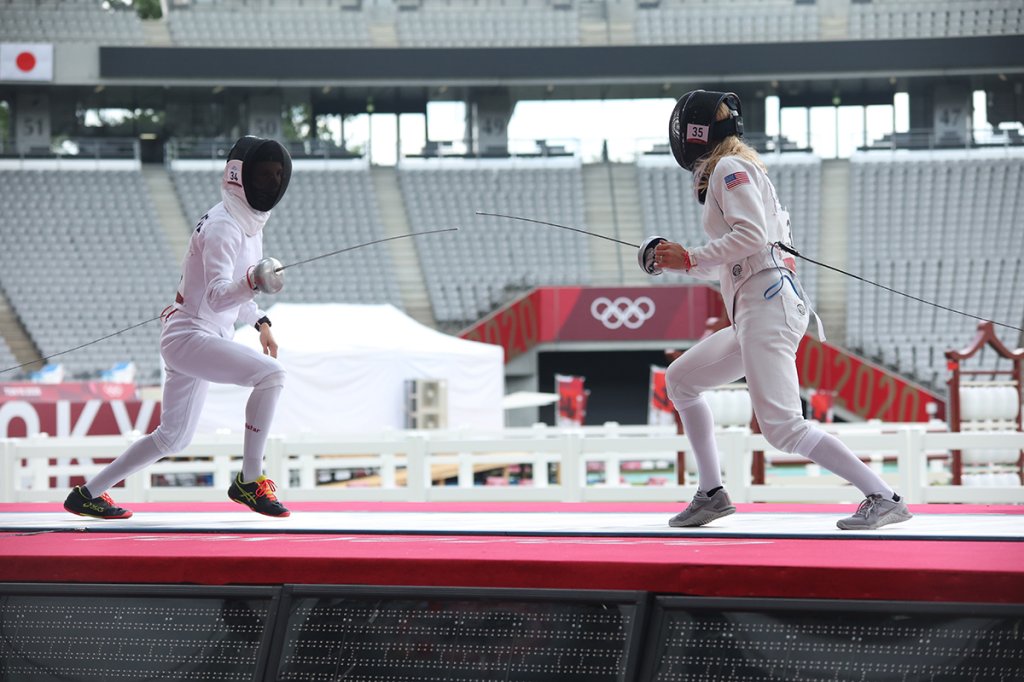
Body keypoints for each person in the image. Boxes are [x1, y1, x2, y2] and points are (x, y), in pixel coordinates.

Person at [639, 90, 912, 531]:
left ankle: (883, 496)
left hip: (766, 305)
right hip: (757, 305)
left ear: (696, 133)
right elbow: (731, 260)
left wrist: (688, 256)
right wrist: (677, 261)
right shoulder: (735, 170)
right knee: (681, 381)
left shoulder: (729, 168)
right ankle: (712, 493)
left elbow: (750, 237)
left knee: (783, 428)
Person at [64, 135, 293, 519]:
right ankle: (250, 480)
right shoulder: (224, 226)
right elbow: (221, 295)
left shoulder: (247, 224)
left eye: (276, 175)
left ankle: (87, 494)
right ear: (240, 176)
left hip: (198, 335)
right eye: (263, 174)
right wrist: (254, 280)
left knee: (173, 436)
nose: (270, 181)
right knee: (272, 376)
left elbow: (236, 294)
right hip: (191, 335)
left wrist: (261, 321)